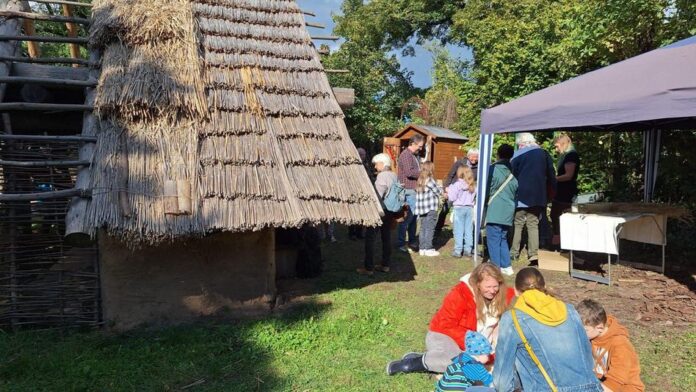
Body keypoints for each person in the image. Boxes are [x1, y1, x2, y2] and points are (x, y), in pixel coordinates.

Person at [386, 263, 515, 375]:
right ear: (477, 284)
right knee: (459, 364)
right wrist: (474, 346)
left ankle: (429, 357)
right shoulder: (460, 294)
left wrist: (490, 350)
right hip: (444, 335)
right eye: (488, 287)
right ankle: (413, 363)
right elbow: (445, 325)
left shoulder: (504, 296)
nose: (492, 291)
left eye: (495, 286)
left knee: (476, 366)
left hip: (478, 344)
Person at [493, 268, 602, 392]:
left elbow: (502, 383)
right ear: (544, 286)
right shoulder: (570, 311)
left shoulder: (512, 319)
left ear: (516, 291)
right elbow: (587, 357)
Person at [576, 299, 644, 392]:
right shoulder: (591, 336)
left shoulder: (620, 345)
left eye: (584, 330)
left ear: (599, 327)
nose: (579, 333)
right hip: (599, 383)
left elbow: (614, 383)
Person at [509, 133, 556, 265]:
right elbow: (551, 174)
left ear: (521, 142)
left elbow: (511, 175)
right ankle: (533, 254)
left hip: (521, 195)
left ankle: (514, 253)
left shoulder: (518, 155)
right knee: (533, 224)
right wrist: (552, 192)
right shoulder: (544, 154)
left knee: (518, 224)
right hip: (538, 196)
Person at [357, 153, 397, 276]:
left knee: (370, 238)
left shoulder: (382, 176)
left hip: (380, 211)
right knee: (386, 238)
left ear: (382, 163)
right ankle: (385, 265)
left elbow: (377, 197)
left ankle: (368, 268)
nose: (375, 167)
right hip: (390, 211)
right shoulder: (394, 175)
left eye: (376, 164)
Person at [485, 144, 518, 276]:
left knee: (493, 239)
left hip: (495, 209)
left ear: (498, 154)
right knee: (503, 238)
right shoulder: (513, 172)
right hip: (508, 210)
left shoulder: (492, 170)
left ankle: (495, 267)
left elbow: (486, 189)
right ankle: (506, 265)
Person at [436, 149, 480, 233]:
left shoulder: (479, 167)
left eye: (476, 158)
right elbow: (450, 175)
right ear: (468, 156)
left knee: (464, 211)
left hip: (467, 192)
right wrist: (446, 187)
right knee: (445, 209)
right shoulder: (459, 163)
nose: (474, 160)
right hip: (454, 189)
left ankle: (463, 231)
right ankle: (438, 228)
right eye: (472, 157)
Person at [550, 134, 580, 248]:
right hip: (562, 191)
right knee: (555, 216)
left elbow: (568, 175)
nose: (556, 150)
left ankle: (561, 243)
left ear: (564, 144)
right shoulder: (566, 156)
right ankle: (558, 242)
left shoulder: (571, 156)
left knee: (558, 216)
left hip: (566, 192)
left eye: (557, 147)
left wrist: (553, 179)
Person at [397, 134, 425, 252]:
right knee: (407, 218)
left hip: (412, 190)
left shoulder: (413, 155)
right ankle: (401, 243)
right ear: (413, 143)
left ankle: (412, 242)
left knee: (413, 219)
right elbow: (409, 172)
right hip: (408, 190)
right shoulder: (406, 155)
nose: (421, 148)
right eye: (420, 146)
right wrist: (423, 173)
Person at [447, 165, 476, 258]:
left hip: (459, 208)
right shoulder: (472, 185)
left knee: (458, 230)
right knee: (469, 230)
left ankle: (458, 250)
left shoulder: (456, 185)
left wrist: (449, 190)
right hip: (469, 208)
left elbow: (452, 198)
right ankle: (468, 249)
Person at [414, 161, 442, 257]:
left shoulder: (420, 180)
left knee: (422, 228)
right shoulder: (430, 180)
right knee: (430, 228)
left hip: (421, 209)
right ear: (431, 169)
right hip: (430, 208)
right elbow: (438, 192)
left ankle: (422, 248)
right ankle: (428, 248)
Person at [349, 147, 372, 240]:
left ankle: (359, 232)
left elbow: (369, 175)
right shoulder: (352, 164)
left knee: (362, 214)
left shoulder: (366, 164)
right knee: (353, 214)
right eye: (362, 154)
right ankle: (352, 233)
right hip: (354, 192)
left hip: (364, 191)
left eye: (364, 155)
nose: (363, 156)